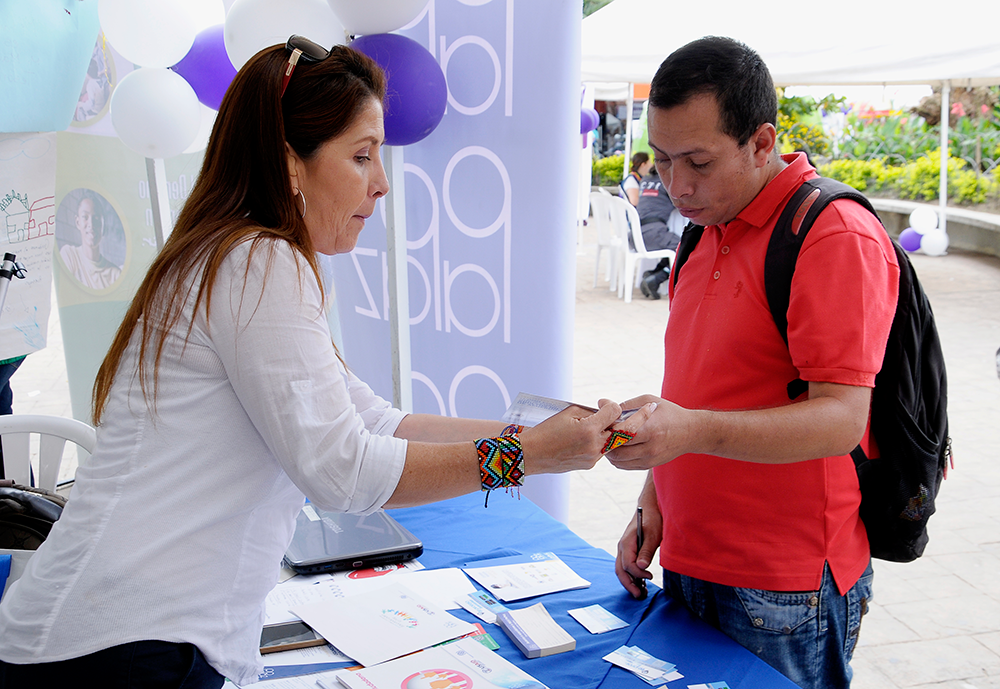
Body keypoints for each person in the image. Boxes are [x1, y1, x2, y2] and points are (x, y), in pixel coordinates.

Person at [0, 38, 652, 688]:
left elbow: (374, 420)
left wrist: (533, 434)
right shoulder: (259, 263)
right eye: (362, 155)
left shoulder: (243, 255)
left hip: (120, 633)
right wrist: (526, 455)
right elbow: (344, 471)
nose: (382, 183)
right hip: (123, 646)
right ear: (290, 164)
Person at [605, 37, 899, 689]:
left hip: (779, 588)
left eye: (698, 162)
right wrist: (653, 502)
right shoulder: (704, 223)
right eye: (661, 161)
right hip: (690, 556)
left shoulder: (830, 234)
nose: (676, 185)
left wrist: (688, 431)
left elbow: (841, 419)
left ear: (762, 143)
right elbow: (697, 385)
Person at [59, 191, 122, 290]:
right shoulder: (69, 256)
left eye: (96, 218)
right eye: (85, 217)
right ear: (78, 222)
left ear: (103, 224)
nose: (91, 224)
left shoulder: (115, 274)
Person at [633, 167, 680, 300]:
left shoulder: (645, 180)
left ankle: (652, 275)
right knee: (686, 248)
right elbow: (683, 203)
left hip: (636, 234)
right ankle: (657, 277)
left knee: (676, 245)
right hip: (654, 232)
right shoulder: (667, 183)